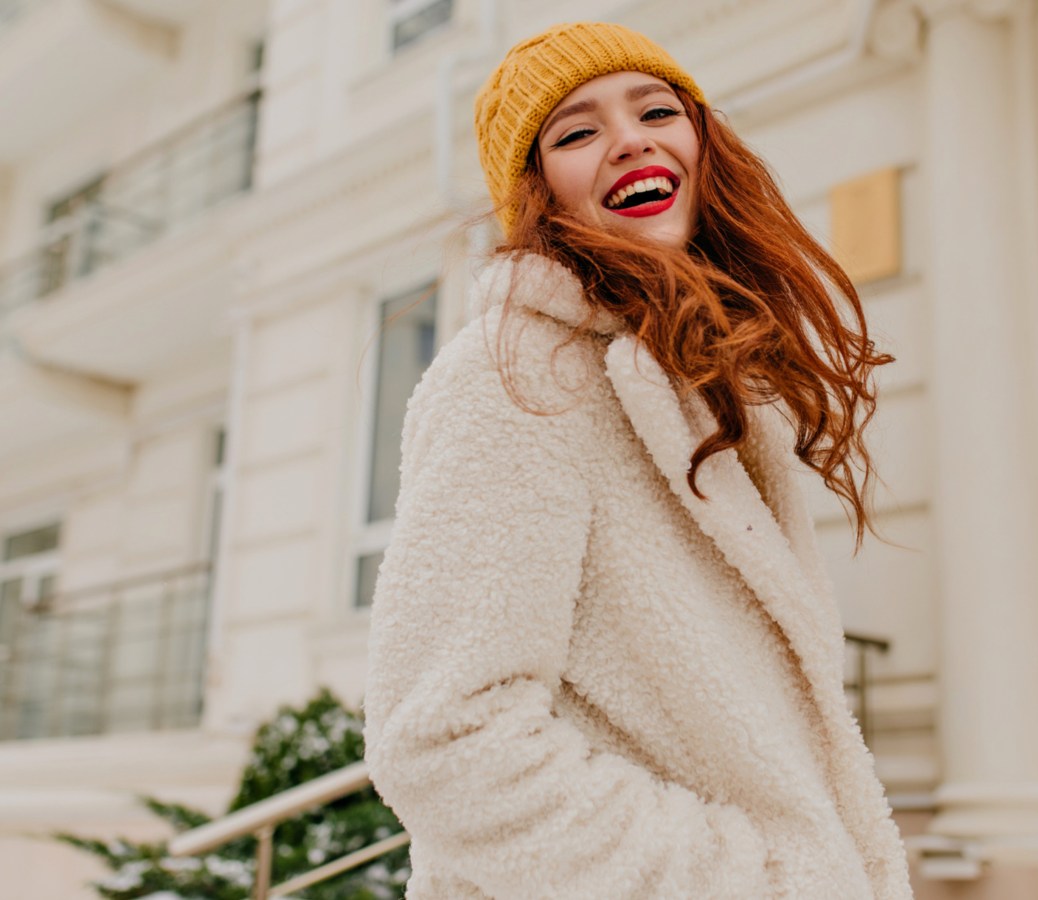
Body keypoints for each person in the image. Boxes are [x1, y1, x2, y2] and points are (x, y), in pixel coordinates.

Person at [363, 21, 914, 900]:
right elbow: (446, 740)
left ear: (704, 143)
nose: (629, 139)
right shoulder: (514, 377)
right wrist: (765, 882)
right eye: (576, 132)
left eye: (657, 109)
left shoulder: (709, 384)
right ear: (538, 194)